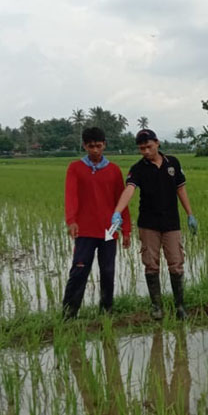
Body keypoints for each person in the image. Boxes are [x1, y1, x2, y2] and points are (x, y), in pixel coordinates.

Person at [112, 129, 197, 320]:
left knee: (176, 264)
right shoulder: (138, 168)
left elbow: (181, 189)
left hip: (171, 223)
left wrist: (190, 214)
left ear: (157, 143)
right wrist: (117, 211)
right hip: (148, 224)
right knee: (151, 265)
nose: (145, 152)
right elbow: (130, 189)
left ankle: (180, 306)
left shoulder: (172, 163)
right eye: (141, 149)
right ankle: (156, 307)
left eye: (148, 147)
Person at [61, 127, 131, 318]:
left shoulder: (114, 170)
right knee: (79, 271)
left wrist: (126, 229)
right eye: (91, 146)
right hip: (85, 230)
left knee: (108, 271)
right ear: (84, 146)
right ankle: (69, 314)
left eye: (98, 146)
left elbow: (121, 201)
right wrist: (71, 221)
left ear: (104, 145)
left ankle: (106, 311)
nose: (95, 150)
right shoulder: (75, 168)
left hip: (110, 229)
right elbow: (71, 196)